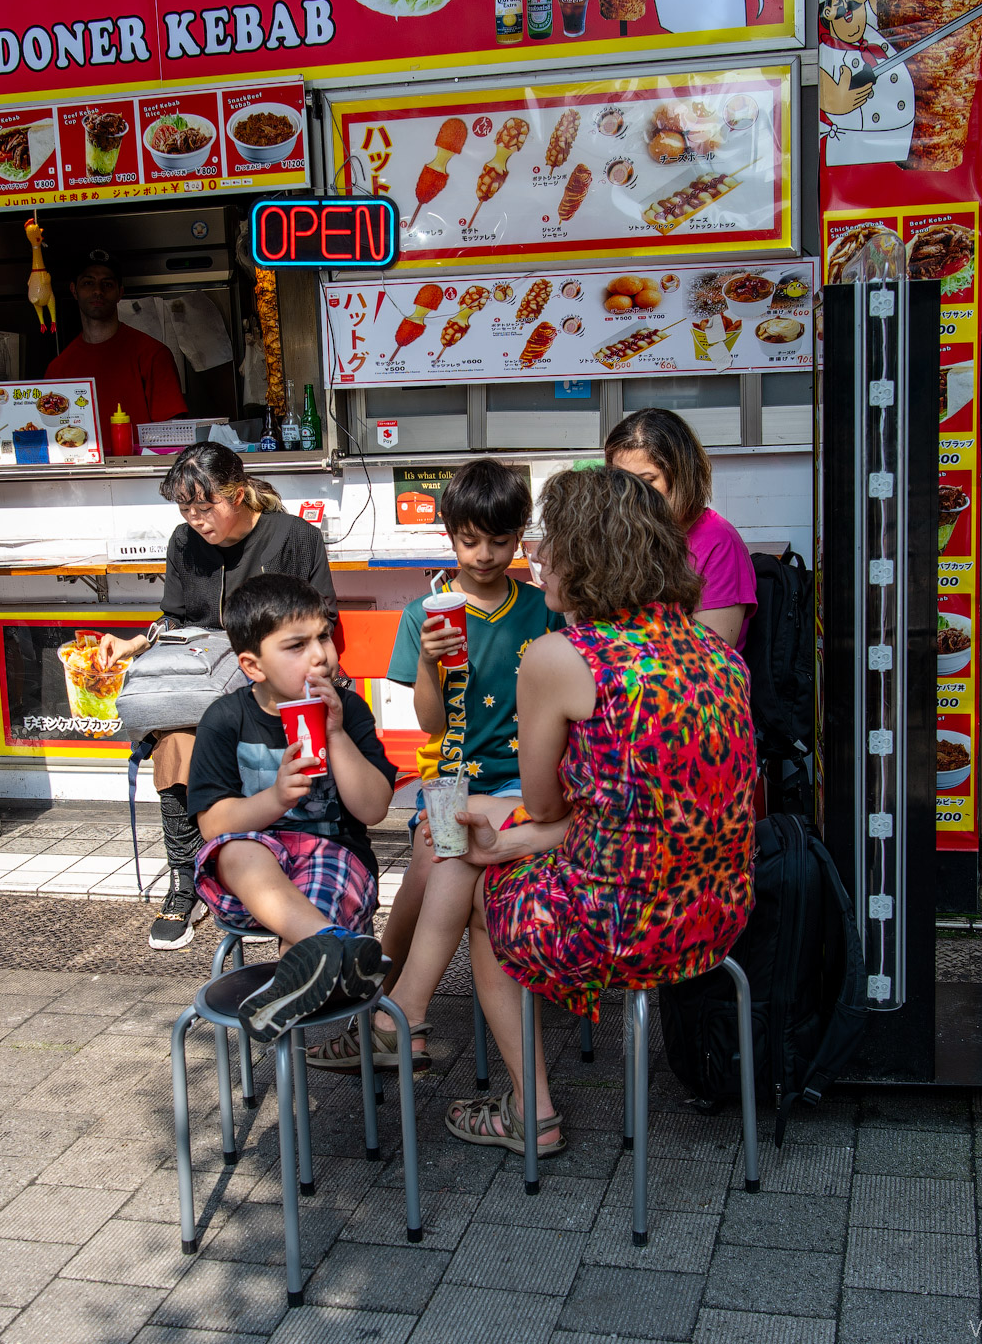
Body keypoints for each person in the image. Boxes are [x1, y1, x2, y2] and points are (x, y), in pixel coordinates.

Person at [435, 466, 757, 1156]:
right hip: (718, 919)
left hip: (627, 926)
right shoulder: (717, 655)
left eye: (550, 541)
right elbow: (655, 813)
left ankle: (532, 1110)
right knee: (499, 840)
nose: (536, 555)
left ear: (588, 555)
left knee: (487, 895)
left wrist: (520, 842)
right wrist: (531, 836)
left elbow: (548, 803)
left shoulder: (563, 656)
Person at [307, 459, 562, 1073]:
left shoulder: (541, 607)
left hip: (522, 781)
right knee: (431, 865)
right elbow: (431, 725)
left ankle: (392, 1014)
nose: (484, 556)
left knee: (437, 866)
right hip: (453, 773)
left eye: (499, 541)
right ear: (449, 535)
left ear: (520, 536)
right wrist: (428, 663)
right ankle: (388, 1007)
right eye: (469, 540)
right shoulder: (429, 615)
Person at [98, 442, 335, 951]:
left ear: (240, 492)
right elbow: (178, 620)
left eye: (206, 508)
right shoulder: (185, 543)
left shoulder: (295, 537)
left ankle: (287, 860)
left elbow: (323, 620)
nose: (196, 520)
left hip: (277, 679)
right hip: (209, 682)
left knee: (255, 728)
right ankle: (186, 875)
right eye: (186, 509)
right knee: (174, 735)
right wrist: (133, 643)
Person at [188, 574, 397, 1041]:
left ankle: (299, 976)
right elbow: (213, 826)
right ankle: (340, 950)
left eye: (324, 636)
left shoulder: (350, 709)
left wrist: (337, 732)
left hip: (334, 855)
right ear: (252, 665)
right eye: (296, 645)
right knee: (238, 849)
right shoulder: (225, 720)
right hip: (254, 881)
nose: (320, 654)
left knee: (307, 920)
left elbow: (374, 808)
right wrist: (276, 798)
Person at [605, 408, 758, 646]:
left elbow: (713, 655)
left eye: (647, 481)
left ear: (680, 476)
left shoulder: (719, 542)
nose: (632, 493)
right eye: (622, 481)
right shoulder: (631, 533)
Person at [44, 256, 186, 436]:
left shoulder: (153, 355)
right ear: (74, 290)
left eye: (107, 284)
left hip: (144, 464)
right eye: (88, 283)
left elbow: (173, 436)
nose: (98, 291)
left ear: (120, 293)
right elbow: (53, 435)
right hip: (81, 463)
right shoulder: (58, 369)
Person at [814, 0, 916, 169]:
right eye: (839, 9)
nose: (849, 11)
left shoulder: (873, 23)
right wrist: (831, 99)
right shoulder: (826, 54)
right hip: (854, 149)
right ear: (827, 15)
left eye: (853, 2)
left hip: (904, 140)